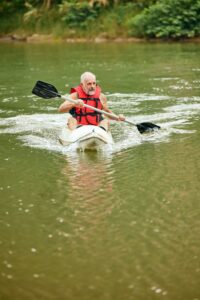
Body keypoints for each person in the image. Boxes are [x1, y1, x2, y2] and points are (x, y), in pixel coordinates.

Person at [58, 72, 125, 131]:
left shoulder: (101, 96)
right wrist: (73, 104)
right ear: (82, 85)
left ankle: (101, 131)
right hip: (79, 123)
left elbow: (107, 112)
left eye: (94, 83)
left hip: (96, 124)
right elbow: (61, 109)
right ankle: (76, 131)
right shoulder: (75, 96)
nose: (92, 86)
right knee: (71, 119)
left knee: (105, 121)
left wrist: (117, 117)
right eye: (89, 84)